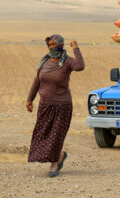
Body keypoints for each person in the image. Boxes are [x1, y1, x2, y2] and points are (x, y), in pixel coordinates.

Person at [26, 34, 85, 177]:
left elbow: (80, 66)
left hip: (62, 106)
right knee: (42, 136)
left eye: (55, 44)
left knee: (56, 136)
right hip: (45, 106)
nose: (52, 47)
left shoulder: (68, 62)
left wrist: (76, 48)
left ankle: (55, 163)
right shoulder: (44, 62)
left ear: (61, 45)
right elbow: (37, 82)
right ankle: (60, 155)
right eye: (50, 45)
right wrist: (30, 99)